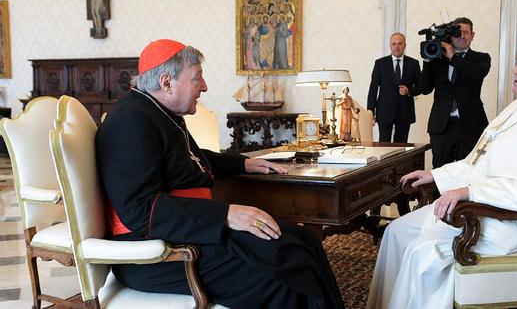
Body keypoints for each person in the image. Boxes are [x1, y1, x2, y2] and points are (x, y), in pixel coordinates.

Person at [96, 39, 344, 309]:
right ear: (166, 82)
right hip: (154, 254)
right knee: (284, 272)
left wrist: (242, 164)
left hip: (182, 232)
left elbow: (190, 158)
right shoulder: (131, 122)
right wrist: (226, 215)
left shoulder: (157, 113)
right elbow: (141, 210)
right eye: (197, 78)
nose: (204, 86)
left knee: (303, 240)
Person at [366, 39, 517, 309]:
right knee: (396, 231)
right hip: (488, 204)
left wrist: (469, 192)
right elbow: (479, 162)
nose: (516, 69)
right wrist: (437, 174)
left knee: (423, 252)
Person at [418, 17, 491, 170]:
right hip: (442, 126)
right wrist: (427, 62)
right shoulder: (438, 59)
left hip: (471, 126)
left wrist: (453, 56)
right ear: (451, 35)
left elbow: (476, 74)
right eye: (458, 32)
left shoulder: (481, 58)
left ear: (472, 35)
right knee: (440, 171)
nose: (462, 36)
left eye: (466, 32)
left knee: (468, 171)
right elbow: (424, 89)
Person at [367, 32, 421, 142]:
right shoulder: (380, 64)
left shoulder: (413, 64)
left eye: (400, 44)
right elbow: (373, 89)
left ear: (405, 45)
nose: (397, 47)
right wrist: (370, 111)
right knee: (383, 146)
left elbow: (421, 87)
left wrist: (409, 91)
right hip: (384, 111)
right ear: (390, 46)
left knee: (401, 147)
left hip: (405, 112)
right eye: (394, 44)